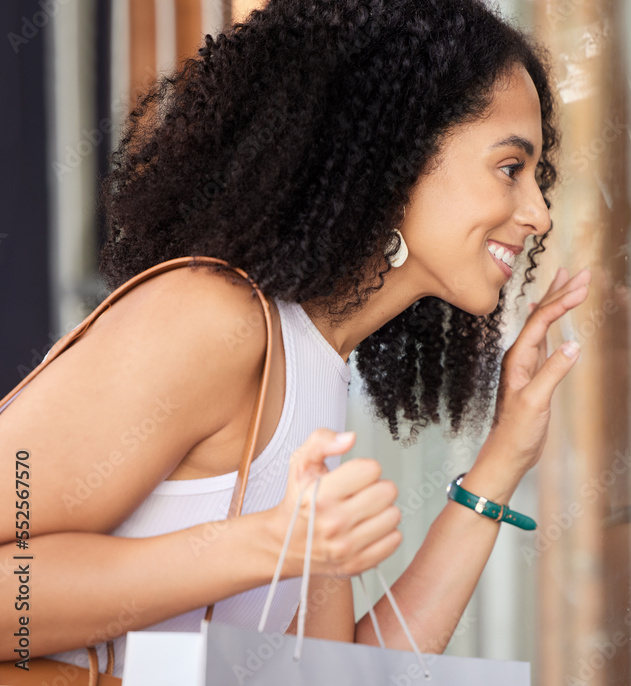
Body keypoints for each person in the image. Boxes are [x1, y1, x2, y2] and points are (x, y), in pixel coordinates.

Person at [0, 0, 591, 677]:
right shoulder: (213, 320)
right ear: (397, 153)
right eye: (511, 168)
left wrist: (504, 459)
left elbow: (336, 676)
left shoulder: (315, 364)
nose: (539, 215)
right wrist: (262, 544)